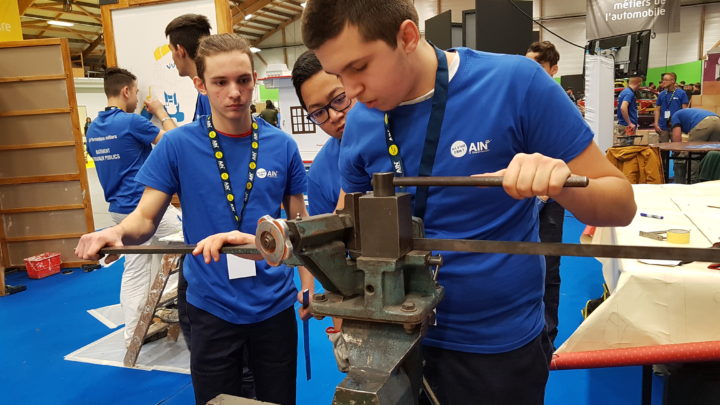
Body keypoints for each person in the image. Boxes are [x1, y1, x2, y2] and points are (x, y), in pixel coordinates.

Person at [302, 1, 636, 403]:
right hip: (395, 343)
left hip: (496, 350)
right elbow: (347, 225)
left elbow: (621, 204)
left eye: (359, 68)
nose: (351, 91)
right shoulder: (361, 119)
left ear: (407, 37)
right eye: (339, 74)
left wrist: (560, 182)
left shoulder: (515, 84)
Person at [76, 34, 313, 405]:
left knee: (277, 399)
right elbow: (144, 218)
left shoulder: (282, 146)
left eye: (243, 80)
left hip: (274, 306)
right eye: (220, 82)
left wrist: (308, 285)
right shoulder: (177, 145)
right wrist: (117, 231)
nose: (234, 92)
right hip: (211, 306)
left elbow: (300, 225)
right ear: (201, 85)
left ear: (253, 79)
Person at [85, 67, 182, 347]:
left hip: (118, 208)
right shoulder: (131, 123)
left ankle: (138, 328)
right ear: (126, 91)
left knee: (140, 267)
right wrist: (161, 113)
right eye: (136, 92)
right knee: (189, 243)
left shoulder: (95, 128)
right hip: (144, 209)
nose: (138, 97)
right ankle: (149, 320)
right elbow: (176, 142)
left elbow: (125, 146)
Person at [524, 40, 567, 345]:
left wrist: (546, 194)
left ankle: (547, 336)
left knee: (549, 268)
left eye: (537, 66)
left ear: (553, 69)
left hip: (549, 199)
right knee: (523, 267)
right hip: (520, 200)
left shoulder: (561, 103)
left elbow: (568, 153)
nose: (531, 72)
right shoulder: (519, 100)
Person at [291, 50, 354, 216]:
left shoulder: (398, 128)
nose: (334, 116)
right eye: (319, 112)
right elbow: (328, 239)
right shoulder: (319, 174)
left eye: (340, 99)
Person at [165, 14, 212, 122]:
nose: (172, 57)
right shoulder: (205, 90)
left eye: (171, 50)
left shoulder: (208, 93)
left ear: (180, 51)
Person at [671, 108, 720, 182]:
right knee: (709, 154)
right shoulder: (688, 113)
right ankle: (708, 180)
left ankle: (692, 181)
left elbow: (677, 139)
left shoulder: (674, 116)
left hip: (704, 123)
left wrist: (676, 152)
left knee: (693, 154)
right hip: (718, 121)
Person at [654, 72, 689, 142]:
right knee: (663, 149)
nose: (663, 82)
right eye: (663, 80)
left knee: (676, 148)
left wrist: (685, 124)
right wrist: (656, 123)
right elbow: (657, 109)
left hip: (676, 125)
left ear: (673, 81)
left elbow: (685, 110)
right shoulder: (662, 94)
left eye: (666, 80)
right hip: (663, 125)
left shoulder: (681, 93)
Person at [615, 76, 642, 144]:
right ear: (638, 84)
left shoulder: (624, 92)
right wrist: (630, 123)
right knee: (627, 150)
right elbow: (623, 107)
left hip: (624, 124)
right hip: (627, 127)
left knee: (624, 148)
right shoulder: (630, 93)